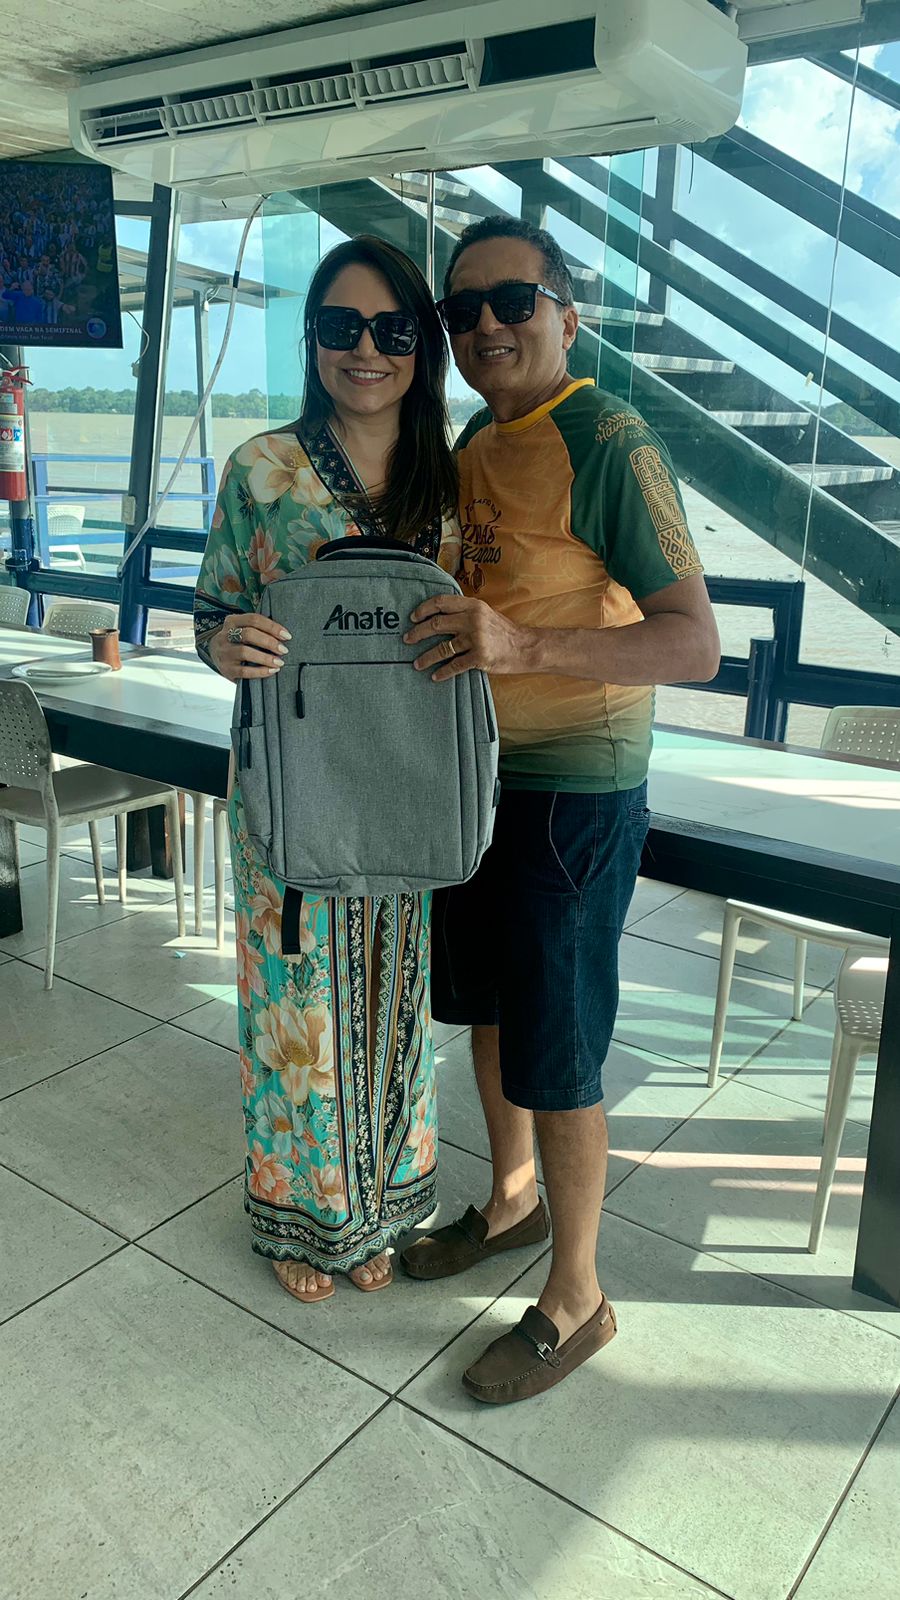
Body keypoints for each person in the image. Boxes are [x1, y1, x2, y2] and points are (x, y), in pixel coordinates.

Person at [401, 215, 720, 1402]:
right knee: (489, 1011)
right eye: (463, 309)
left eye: (512, 301)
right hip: (477, 781)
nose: (486, 324)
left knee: (564, 1048)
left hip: (574, 797)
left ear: (566, 316)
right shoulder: (474, 439)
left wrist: (524, 645)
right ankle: (512, 1199)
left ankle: (579, 1296)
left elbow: (694, 644)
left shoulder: (610, 439)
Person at [194, 236, 459, 1303]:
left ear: (422, 345)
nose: (367, 350)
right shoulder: (261, 468)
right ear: (312, 339)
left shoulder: (453, 473)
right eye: (342, 326)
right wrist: (225, 644)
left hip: (408, 776)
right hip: (290, 779)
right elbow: (212, 608)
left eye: (392, 329)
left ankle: (381, 1206)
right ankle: (300, 1218)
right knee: (294, 1002)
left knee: (396, 996)